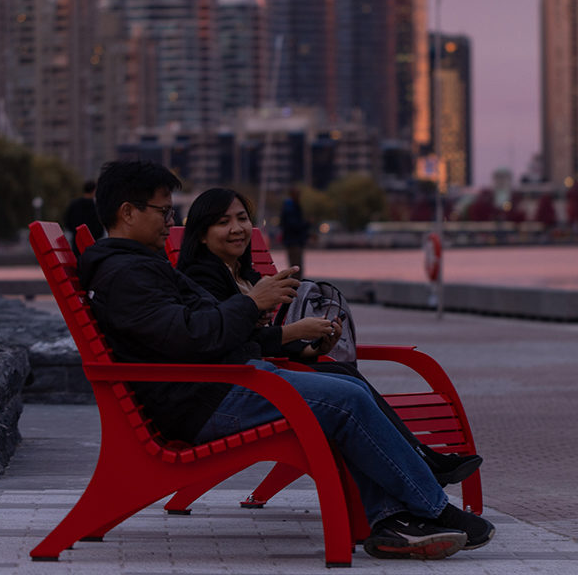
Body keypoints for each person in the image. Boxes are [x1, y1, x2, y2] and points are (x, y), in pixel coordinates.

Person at [77, 161, 493, 560]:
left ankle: (392, 522)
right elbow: (190, 336)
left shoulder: (139, 267)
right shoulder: (127, 275)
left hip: (222, 383)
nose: (171, 221)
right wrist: (252, 304)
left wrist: (258, 318)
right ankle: (432, 508)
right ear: (127, 212)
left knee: (346, 388)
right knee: (345, 402)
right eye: (163, 211)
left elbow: (193, 327)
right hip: (205, 399)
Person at [177, 186, 482, 487]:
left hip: (262, 374)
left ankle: (420, 458)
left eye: (243, 218)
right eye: (223, 222)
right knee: (346, 391)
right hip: (236, 388)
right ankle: (420, 466)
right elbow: (229, 341)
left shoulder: (249, 277)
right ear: (202, 235)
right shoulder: (202, 279)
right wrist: (293, 331)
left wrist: (311, 349)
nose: (237, 229)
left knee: (343, 372)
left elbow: (258, 339)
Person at [64, 180, 104, 254]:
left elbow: (67, 221)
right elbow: (99, 226)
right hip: (92, 242)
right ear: (94, 190)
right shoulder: (96, 206)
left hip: (76, 241)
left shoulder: (74, 204)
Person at [279, 187, 310, 277]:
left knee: (296, 267)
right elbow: (293, 225)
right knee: (296, 267)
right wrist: (306, 224)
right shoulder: (290, 208)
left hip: (293, 240)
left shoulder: (290, 206)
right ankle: (297, 288)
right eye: (297, 194)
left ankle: (297, 286)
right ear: (293, 195)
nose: (299, 197)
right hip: (294, 241)